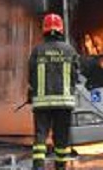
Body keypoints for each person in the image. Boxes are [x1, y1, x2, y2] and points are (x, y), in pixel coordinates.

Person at [28, 13, 80, 170]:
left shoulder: (37, 50)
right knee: (61, 138)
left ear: (44, 30)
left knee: (40, 137)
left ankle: (38, 167)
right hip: (64, 103)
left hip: (42, 104)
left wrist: (32, 93)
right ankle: (60, 167)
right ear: (60, 29)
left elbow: (30, 75)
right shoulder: (69, 50)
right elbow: (75, 75)